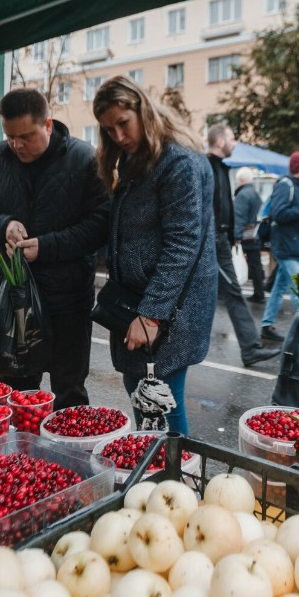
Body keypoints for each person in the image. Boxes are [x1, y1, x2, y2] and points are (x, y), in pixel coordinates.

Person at [0, 87, 110, 408]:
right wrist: (3, 225)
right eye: (10, 136)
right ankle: (17, 457)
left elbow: (101, 226)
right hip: (15, 302)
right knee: (16, 395)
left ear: (48, 125)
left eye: (26, 136)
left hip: (68, 302)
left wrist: (46, 246)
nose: (17, 145)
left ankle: (67, 456)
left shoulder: (84, 159)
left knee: (69, 395)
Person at [92, 76, 216, 435]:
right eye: (108, 129)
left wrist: (151, 315)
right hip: (140, 301)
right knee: (145, 394)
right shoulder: (139, 160)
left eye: (123, 123)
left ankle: (172, 480)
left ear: (142, 110)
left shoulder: (177, 162)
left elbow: (183, 243)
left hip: (168, 308)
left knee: (160, 399)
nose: (118, 135)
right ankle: (159, 471)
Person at [206, 125, 278, 367]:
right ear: (219, 140)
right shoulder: (206, 167)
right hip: (212, 243)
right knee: (224, 295)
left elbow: (225, 207)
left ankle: (250, 348)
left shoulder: (222, 168)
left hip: (221, 242)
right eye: (232, 138)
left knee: (229, 294)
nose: (235, 143)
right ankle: (250, 348)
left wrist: (230, 236)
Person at [260, 151, 299, 343]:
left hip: (295, 248)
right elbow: (278, 214)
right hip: (286, 247)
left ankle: (266, 325)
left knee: (279, 287)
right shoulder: (286, 185)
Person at [232, 167, 265, 304]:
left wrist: (235, 237)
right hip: (254, 234)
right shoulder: (255, 194)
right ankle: (259, 292)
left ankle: (229, 292)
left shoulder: (242, 195)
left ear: (240, 180)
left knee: (233, 261)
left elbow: (239, 218)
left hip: (245, 235)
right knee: (255, 264)